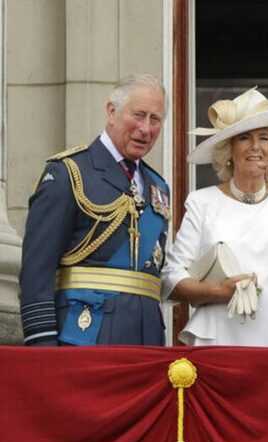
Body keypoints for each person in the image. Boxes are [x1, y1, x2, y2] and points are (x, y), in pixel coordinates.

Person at [18, 74, 171, 346]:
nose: (146, 129)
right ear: (111, 112)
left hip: (147, 340)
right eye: (138, 115)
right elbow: (37, 270)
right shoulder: (69, 173)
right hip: (85, 336)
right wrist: (42, 346)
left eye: (155, 119)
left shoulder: (157, 186)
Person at [161, 88, 268, 346]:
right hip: (220, 339)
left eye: (264, 138)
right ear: (228, 150)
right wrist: (219, 292)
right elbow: (172, 279)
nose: (256, 147)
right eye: (244, 138)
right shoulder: (202, 202)